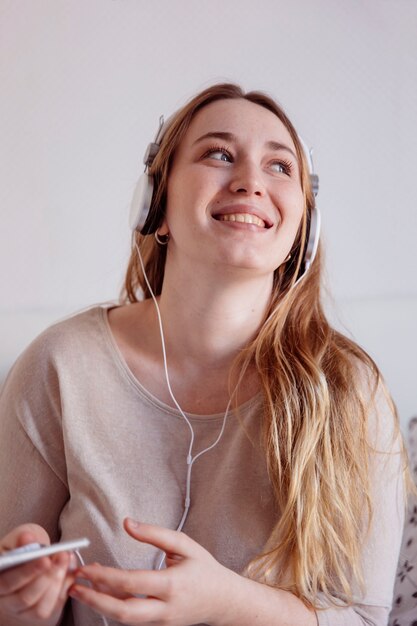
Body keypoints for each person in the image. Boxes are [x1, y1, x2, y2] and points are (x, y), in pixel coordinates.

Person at [0, 83, 407, 626]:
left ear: (301, 232)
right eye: (218, 153)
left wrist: (233, 605)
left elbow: (365, 618)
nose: (250, 182)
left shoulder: (350, 389)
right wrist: (20, 607)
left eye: (280, 167)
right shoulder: (59, 365)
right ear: (156, 207)